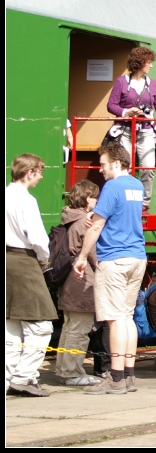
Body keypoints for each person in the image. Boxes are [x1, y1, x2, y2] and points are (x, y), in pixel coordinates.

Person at [73, 143, 147, 395]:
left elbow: (97, 227)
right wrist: (96, 213)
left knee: (114, 319)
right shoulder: (136, 185)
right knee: (127, 317)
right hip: (137, 257)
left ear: (116, 163)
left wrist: (82, 256)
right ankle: (128, 374)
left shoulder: (112, 186)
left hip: (114, 258)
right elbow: (119, 213)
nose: (100, 169)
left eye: (103, 164)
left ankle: (115, 378)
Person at [107, 46, 156, 211]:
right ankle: (124, 200)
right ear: (140, 62)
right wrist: (126, 112)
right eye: (149, 62)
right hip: (125, 131)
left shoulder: (153, 85)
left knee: (148, 168)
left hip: (147, 131)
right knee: (125, 168)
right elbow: (111, 105)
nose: (151, 65)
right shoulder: (122, 82)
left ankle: (143, 204)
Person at [5, 153, 58, 397]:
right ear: (29, 173)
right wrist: (44, 258)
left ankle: (9, 377)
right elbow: (37, 237)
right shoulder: (26, 200)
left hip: (8, 259)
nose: (41, 177)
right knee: (41, 324)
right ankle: (23, 377)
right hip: (24, 260)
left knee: (12, 324)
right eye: (39, 172)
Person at [54, 180, 103, 386]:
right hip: (82, 282)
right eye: (95, 198)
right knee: (80, 330)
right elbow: (93, 255)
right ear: (87, 198)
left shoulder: (69, 217)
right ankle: (73, 372)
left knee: (69, 328)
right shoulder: (84, 222)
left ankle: (63, 368)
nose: (97, 202)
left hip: (68, 281)